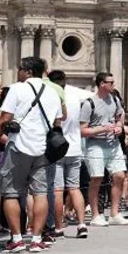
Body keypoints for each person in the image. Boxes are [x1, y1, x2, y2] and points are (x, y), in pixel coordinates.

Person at [0, 56, 63, 253]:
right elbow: (58, 121)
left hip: (19, 146)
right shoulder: (53, 92)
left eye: (20, 69)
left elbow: (5, 118)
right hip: (43, 148)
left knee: (11, 192)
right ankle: (37, 238)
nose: (18, 72)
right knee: (40, 193)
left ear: (28, 71)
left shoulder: (17, 88)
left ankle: (16, 238)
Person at [80, 71, 128, 226]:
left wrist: (119, 128)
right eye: (111, 82)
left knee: (120, 176)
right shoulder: (89, 103)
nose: (113, 85)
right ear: (102, 84)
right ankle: (96, 215)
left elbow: (119, 120)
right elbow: (83, 130)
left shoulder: (115, 100)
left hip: (113, 143)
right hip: (95, 144)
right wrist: (102, 129)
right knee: (96, 178)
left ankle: (114, 213)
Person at [47, 70, 88, 240]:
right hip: (75, 147)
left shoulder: (52, 97)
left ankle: (58, 226)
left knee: (57, 189)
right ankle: (81, 224)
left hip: (57, 147)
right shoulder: (75, 97)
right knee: (74, 188)